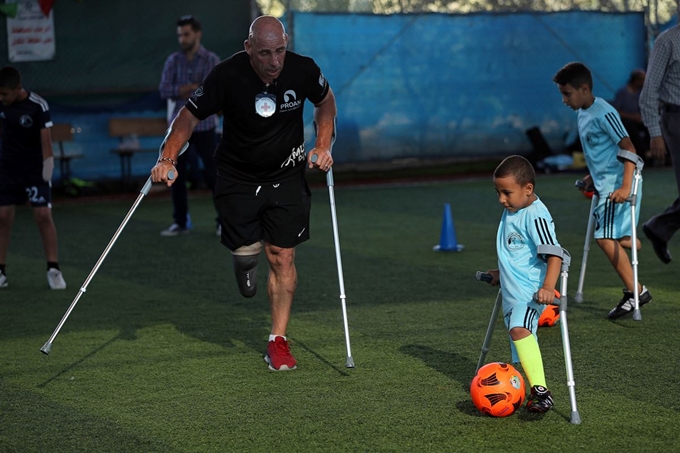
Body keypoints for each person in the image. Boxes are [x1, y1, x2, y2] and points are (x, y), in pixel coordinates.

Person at [150, 16, 337, 371]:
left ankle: (278, 340)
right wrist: (167, 158)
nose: (274, 62)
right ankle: (244, 259)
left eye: (280, 51)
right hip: (237, 178)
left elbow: (325, 101)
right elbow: (188, 117)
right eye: (265, 53)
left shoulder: (303, 70)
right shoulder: (226, 75)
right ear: (249, 47)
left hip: (286, 175)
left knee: (282, 256)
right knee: (246, 253)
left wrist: (323, 143)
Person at [553, 62, 652, 319]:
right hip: (604, 183)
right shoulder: (582, 113)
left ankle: (637, 291)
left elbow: (629, 149)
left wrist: (625, 187)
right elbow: (604, 153)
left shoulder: (604, 112)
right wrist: (590, 176)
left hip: (617, 186)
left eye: (567, 94)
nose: (564, 100)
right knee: (608, 235)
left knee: (603, 238)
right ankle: (629, 240)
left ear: (584, 89)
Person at [484, 155, 561, 413]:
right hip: (512, 291)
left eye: (506, 192)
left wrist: (549, 287)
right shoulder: (514, 209)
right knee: (518, 342)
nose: (501, 199)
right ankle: (524, 390)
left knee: (519, 329)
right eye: (497, 192)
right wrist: (500, 273)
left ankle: (542, 392)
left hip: (530, 293)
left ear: (528, 189)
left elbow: (554, 254)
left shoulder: (535, 214)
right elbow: (517, 251)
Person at [0, 66, 67, 290]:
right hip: (7, 169)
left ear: (17, 89)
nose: (1, 98)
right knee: (3, 216)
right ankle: (1, 272)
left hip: (34, 169)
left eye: (4, 94)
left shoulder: (38, 105)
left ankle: (53, 269)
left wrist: (46, 172)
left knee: (42, 215)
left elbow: (46, 143)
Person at [158, 15, 221, 236]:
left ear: (197, 34)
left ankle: (223, 221)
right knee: (175, 174)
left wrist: (185, 89)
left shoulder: (211, 60)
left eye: (186, 34)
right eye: (179, 35)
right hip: (178, 129)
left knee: (214, 175)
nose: (182, 39)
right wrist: (194, 87)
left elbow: (215, 91)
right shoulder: (173, 61)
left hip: (206, 126)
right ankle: (181, 222)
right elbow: (164, 91)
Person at [639, 24, 680, 265]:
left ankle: (659, 227)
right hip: (676, 118)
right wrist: (655, 133)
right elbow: (648, 92)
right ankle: (659, 228)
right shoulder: (668, 41)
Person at [611, 69, 651, 164]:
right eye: (642, 80)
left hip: (638, 120)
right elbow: (616, 111)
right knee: (631, 128)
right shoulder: (623, 93)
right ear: (636, 81)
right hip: (626, 121)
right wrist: (632, 117)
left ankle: (653, 152)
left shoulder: (641, 93)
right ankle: (644, 152)